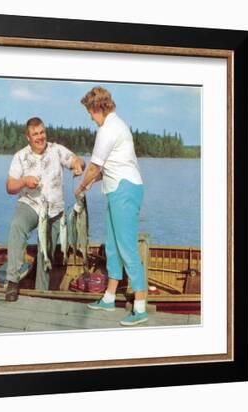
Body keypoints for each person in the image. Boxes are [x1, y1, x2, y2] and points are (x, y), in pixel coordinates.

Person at [75, 86, 147, 326]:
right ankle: (108, 297)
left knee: (127, 248)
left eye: (90, 112)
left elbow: (94, 168)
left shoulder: (107, 129)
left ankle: (140, 306)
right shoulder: (118, 125)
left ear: (98, 108)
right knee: (114, 247)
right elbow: (104, 168)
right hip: (118, 189)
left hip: (124, 190)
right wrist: (91, 182)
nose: (90, 117)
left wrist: (81, 187)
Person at [5, 117, 85, 301]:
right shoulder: (20, 156)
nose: (40, 137)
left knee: (46, 249)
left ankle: (41, 292)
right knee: (17, 226)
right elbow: (10, 186)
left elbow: (77, 160)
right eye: (35, 134)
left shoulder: (56, 149)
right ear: (28, 137)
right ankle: (12, 281)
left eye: (42, 132)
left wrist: (78, 166)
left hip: (55, 210)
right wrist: (24, 181)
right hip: (30, 205)